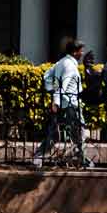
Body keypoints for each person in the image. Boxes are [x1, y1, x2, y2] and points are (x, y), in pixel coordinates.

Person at [35, 38, 90, 168]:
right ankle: (82, 159)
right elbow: (62, 86)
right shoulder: (70, 66)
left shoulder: (61, 62)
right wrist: (56, 101)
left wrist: (50, 89)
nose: (82, 53)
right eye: (81, 51)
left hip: (63, 105)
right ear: (75, 52)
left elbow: (47, 75)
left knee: (54, 133)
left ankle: (38, 156)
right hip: (70, 105)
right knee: (80, 132)